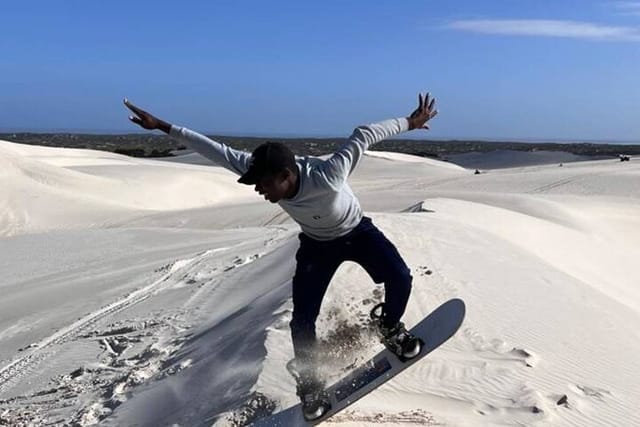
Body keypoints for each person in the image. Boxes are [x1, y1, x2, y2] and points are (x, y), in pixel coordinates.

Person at [124, 93, 438, 420]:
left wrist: (410, 122)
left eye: (262, 184)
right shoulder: (265, 170)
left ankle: (390, 329)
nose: (258, 190)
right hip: (317, 245)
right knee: (302, 320)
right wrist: (160, 125)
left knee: (400, 277)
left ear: (286, 175)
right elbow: (213, 149)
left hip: (358, 233)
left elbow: (363, 134)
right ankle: (311, 385)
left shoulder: (329, 175)